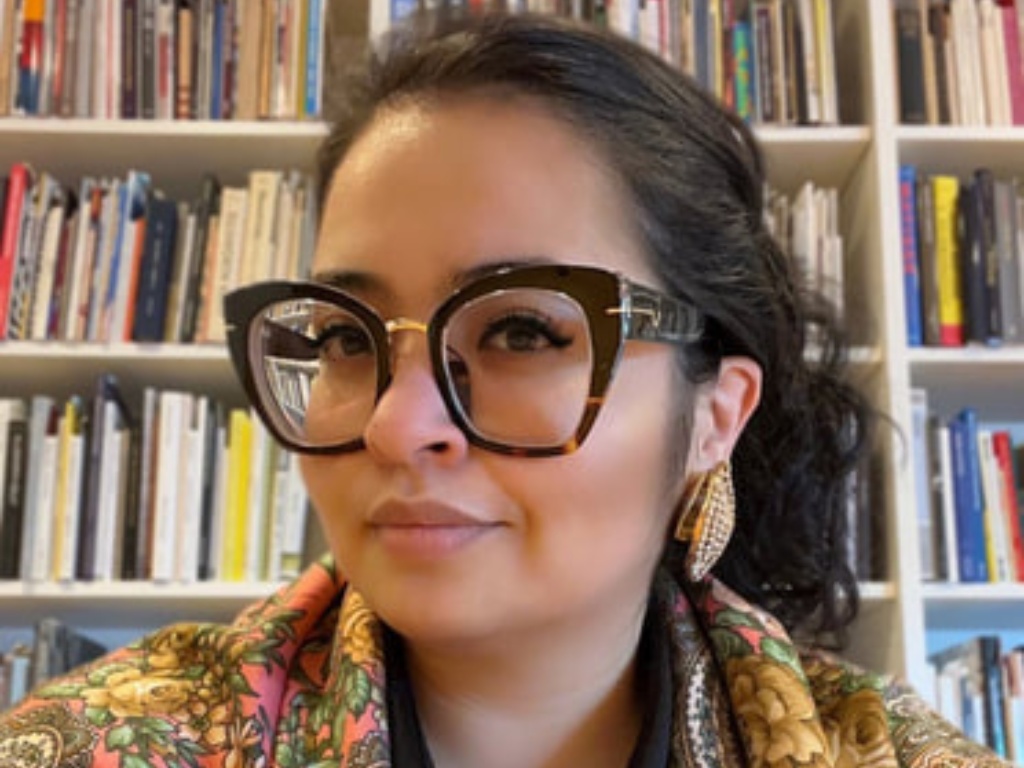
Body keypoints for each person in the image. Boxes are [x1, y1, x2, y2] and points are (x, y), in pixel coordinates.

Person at [0, 10, 1012, 768]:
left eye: (522, 331)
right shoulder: (99, 745)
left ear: (713, 416)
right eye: (347, 340)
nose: (398, 427)